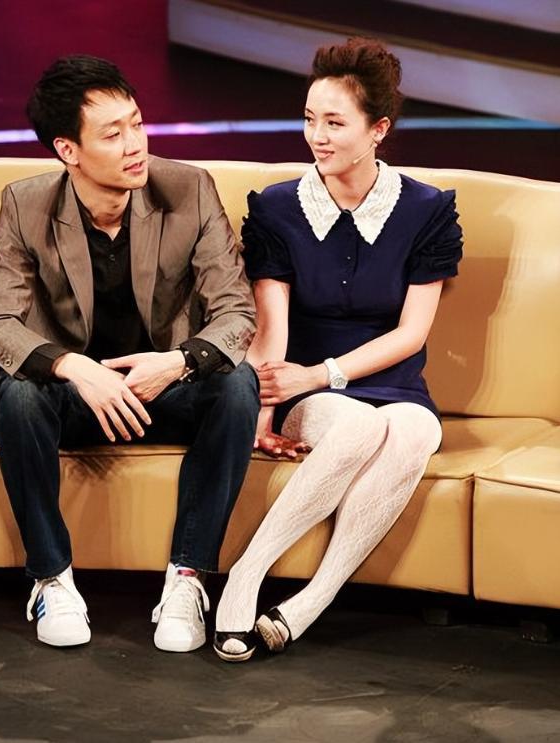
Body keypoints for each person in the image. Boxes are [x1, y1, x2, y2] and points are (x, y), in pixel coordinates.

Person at [0, 55, 259, 652]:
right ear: (68, 150)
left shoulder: (190, 189)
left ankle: (188, 578)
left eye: (137, 124)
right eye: (112, 134)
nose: (136, 145)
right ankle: (52, 578)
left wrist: (178, 362)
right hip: (77, 398)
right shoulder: (26, 205)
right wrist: (74, 367)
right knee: (18, 393)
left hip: (163, 388)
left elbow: (237, 312)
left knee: (237, 384)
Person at [214, 37, 463, 661]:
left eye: (334, 123)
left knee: (415, 431)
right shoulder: (277, 208)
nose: (316, 137)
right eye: (309, 119)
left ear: (378, 130)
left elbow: (411, 334)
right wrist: (263, 408)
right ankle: (246, 575)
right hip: (304, 387)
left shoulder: (426, 210)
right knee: (357, 426)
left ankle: (314, 598)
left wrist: (319, 373)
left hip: (387, 380)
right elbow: (271, 329)